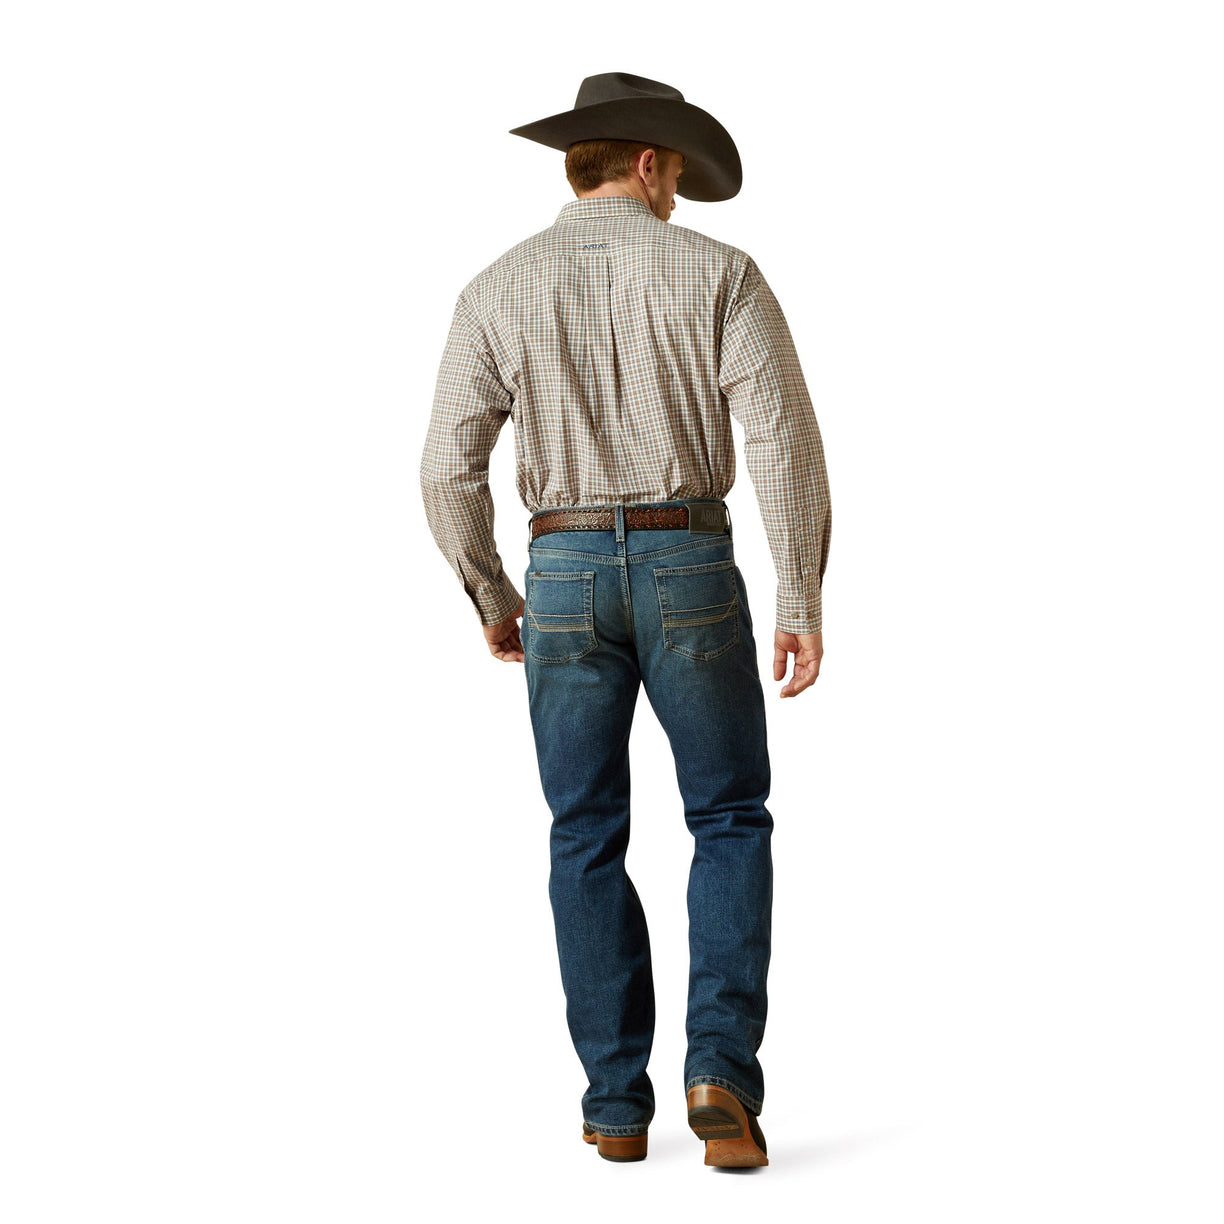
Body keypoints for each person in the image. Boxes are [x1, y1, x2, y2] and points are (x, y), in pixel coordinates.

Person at [420, 72, 831, 1168]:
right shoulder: (721, 276)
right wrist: (800, 592)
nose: (680, 197)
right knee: (731, 816)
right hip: (689, 560)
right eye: (679, 177)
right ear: (647, 163)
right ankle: (717, 1074)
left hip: (557, 578)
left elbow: (445, 468)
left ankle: (612, 1104)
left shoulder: (494, 289)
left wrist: (493, 593)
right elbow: (783, 444)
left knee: (583, 831)